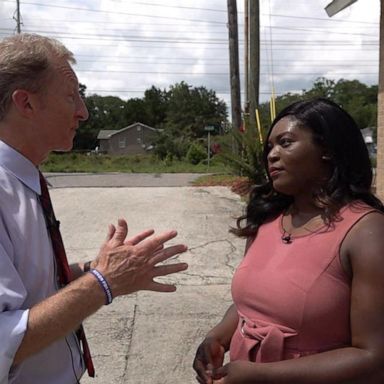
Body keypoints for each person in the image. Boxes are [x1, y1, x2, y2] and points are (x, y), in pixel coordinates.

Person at [0, 33, 188, 384]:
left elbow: (30, 288)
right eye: (71, 97)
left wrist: (91, 268)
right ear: (26, 104)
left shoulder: (24, 180)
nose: (83, 112)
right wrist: (105, 281)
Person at [193, 98, 384, 383]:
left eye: (285, 142)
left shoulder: (366, 231)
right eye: (270, 147)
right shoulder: (267, 220)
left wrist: (261, 376)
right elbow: (253, 305)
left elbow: (372, 356)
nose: (272, 154)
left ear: (328, 150)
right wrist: (217, 337)